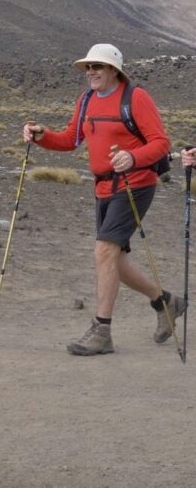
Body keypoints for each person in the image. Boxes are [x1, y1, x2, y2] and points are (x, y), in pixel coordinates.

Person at [22, 43, 182, 356]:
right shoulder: (86, 100)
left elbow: (161, 144)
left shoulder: (135, 97)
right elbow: (72, 139)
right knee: (113, 260)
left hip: (135, 184)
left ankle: (102, 331)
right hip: (103, 188)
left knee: (104, 250)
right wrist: (43, 136)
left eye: (98, 67)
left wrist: (132, 158)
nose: (91, 72)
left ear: (114, 70)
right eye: (88, 67)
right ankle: (166, 302)